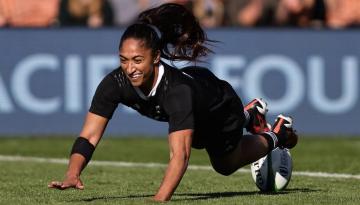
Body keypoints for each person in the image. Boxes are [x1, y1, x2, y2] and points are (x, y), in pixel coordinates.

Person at [48, 3, 298, 202]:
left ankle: (277, 133)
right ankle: (250, 115)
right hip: (197, 99)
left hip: (219, 107)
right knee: (198, 138)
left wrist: (159, 199)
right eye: (123, 60)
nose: (130, 68)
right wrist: (73, 173)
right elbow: (89, 136)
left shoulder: (177, 92)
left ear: (156, 57)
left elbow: (180, 155)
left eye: (137, 60)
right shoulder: (114, 83)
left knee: (225, 165)